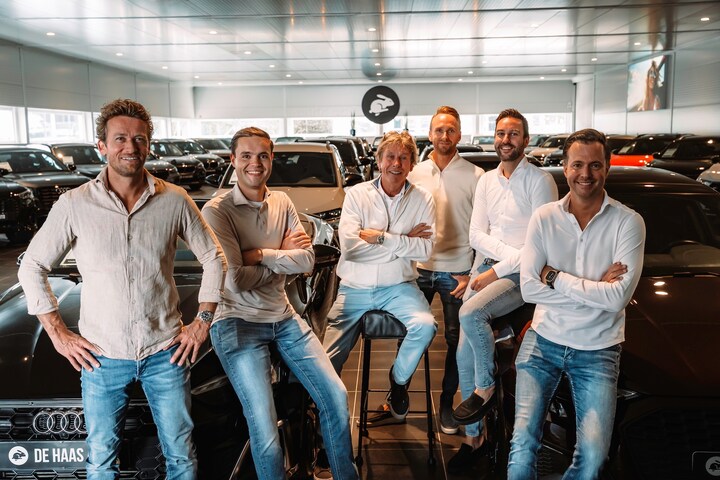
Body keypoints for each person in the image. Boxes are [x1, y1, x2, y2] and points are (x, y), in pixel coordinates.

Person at [18, 98, 227, 479]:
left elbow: (214, 257)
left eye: (139, 139)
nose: (130, 147)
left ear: (149, 145)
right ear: (102, 146)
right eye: (120, 139)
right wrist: (59, 335)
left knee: (181, 455)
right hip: (102, 357)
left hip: (165, 353)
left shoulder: (174, 200)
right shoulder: (74, 205)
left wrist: (202, 322)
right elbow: (32, 266)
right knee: (101, 460)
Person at [201, 127, 358, 480]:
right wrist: (282, 258)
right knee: (265, 425)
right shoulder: (217, 211)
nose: (254, 163)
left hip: (283, 317)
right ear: (233, 160)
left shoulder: (282, 201)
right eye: (246, 156)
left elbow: (307, 260)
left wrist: (259, 254)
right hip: (237, 323)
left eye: (262, 155)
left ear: (271, 159)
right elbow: (235, 280)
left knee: (335, 397)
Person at [508, 128, 646, 479]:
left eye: (595, 165)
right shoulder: (544, 218)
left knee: (594, 457)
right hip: (544, 341)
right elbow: (529, 289)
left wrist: (555, 277)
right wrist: (595, 289)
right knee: (522, 444)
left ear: (607, 168)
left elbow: (617, 299)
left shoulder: (628, 222)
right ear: (566, 168)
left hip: (598, 349)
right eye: (578, 165)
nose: (586, 174)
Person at [450, 108, 558, 474]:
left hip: (524, 274)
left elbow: (539, 246)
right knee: (463, 355)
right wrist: (490, 265)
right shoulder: (486, 181)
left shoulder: (540, 181)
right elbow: (475, 234)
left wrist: (497, 269)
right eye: (500, 133)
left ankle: (485, 388)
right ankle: (474, 439)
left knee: (470, 313)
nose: (505, 140)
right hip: (486, 266)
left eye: (513, 134)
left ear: (526, 140)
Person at [323, 130, 437, 424]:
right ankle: (327, 421)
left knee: (426, 326)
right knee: (326, 359)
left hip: (399, 287)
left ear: (412, 164)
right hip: (354, 288)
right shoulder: (357, 194)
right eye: (390, 156)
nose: (396, 164)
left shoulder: (423, 198)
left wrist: (382, 238)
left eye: (403, 158)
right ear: (379, 160)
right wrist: (404, 241)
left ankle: (398, 381)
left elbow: (424, 249)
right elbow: (351, 249)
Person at [404, 106, 483, 436]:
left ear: (459, 135)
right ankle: (399, 391)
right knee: (408, 333)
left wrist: (474, 273)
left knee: (455, 342)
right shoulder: (414, 172)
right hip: (419, 269)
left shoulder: (476, 176)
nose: (445, 135)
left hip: (458, 271)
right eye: (439, 129)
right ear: (430, 133)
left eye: (451, 130)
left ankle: (447, 403)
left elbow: (483, 230)